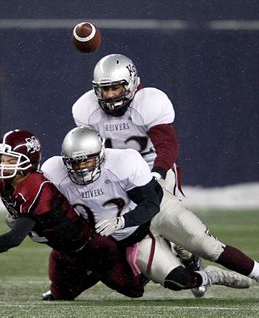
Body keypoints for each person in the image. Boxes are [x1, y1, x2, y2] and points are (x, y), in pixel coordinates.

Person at [41, 126, 259, 301]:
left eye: (86, 160)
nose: (81, 167)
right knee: (176, 281)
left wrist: (122, 220)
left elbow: (151, 203)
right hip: (133, 236)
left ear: (101, 156)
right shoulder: (54, 172)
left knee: (207, 246)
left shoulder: (124, 163)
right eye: (74, 162)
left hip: (157, 211)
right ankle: (212, 276)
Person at [0, 129, 146, 300]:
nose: (2, 165)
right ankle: (90, 276)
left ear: (27, 162)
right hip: (63, 251)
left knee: (133, 290)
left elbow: (14, 238)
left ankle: (129, 255)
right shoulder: (3, 179)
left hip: (93, 248)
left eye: (11, 160)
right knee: (60, 296)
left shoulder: (36, 188)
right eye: (2, 158)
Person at [71, 53, 206, 297]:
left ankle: (190, 260)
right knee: (122, 227)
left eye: (115, 87)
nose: (110, 95)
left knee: (170, 229)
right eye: (104, 89)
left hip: (155, 169)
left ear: (131, 82)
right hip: (117, 175)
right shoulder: (85, 109)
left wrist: (158, 172)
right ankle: (141, 270)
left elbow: (167, 145)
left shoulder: (150, 102)